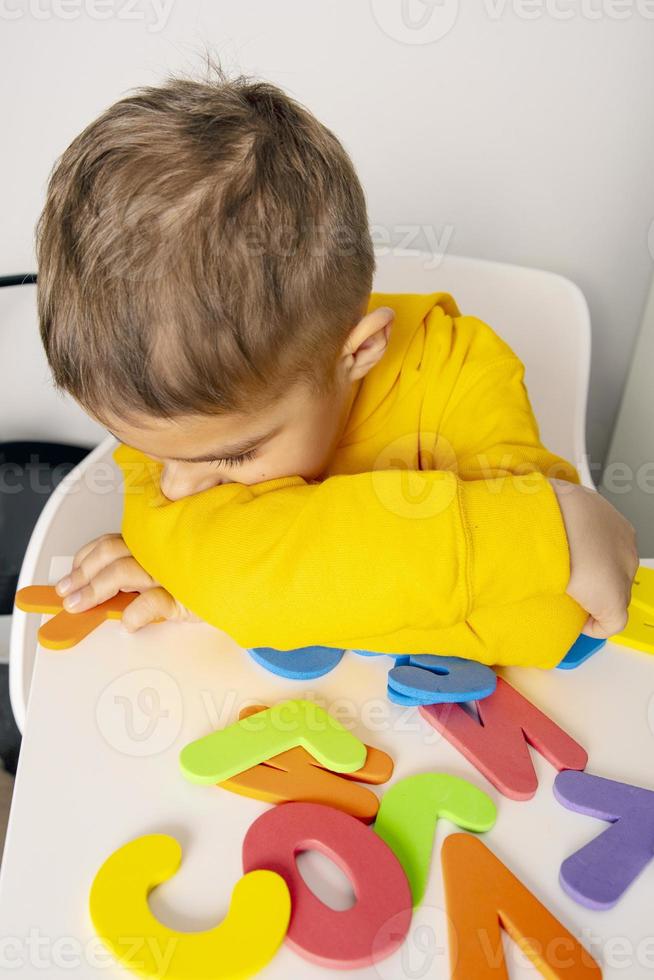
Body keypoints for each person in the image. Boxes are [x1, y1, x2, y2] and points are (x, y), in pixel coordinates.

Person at [35, 62, 638, 669]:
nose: (174, 487)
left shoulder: (463, 372)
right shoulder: (182, 425)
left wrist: (238, 585)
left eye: (235, 455)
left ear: (359, 352)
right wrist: (520, 540)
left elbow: (551, 618)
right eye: (146, 451)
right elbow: (236, 578)